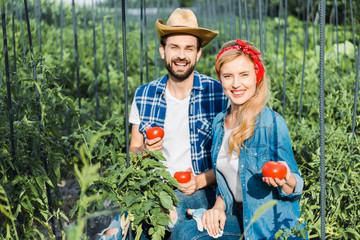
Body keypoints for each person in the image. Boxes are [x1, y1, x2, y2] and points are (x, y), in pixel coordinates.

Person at [99, 8, 228, 240]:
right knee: (111, 235)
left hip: (197, 189)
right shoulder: (144, 95)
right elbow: (134, 151)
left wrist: (200, 180)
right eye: (174, 47)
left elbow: (230, 160)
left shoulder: (218, 94)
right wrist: (146, 151)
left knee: (170, 218)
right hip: (151, 187)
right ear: (162, 51)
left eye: (189, 48)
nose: (181, 55)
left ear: (198, 54)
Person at [171, 39, 305, 240]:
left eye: (244, 75)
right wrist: (217, 207)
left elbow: (295, 188)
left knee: (186, 234)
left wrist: (286, 178)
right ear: (221, 79)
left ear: (256, 77)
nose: (235, 84)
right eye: (228, 76)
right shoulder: (219, 122)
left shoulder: (271, 124)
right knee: (178, 224)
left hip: (266, 225)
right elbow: (228, 181)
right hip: (235, 214)